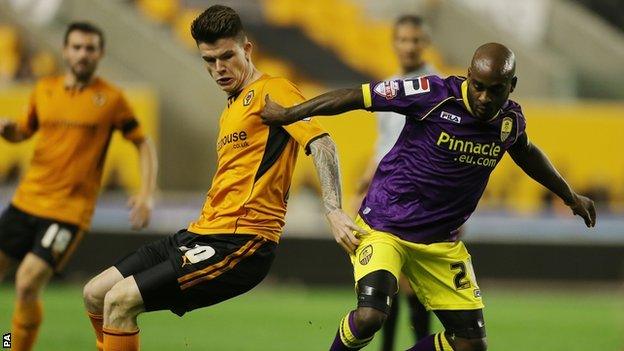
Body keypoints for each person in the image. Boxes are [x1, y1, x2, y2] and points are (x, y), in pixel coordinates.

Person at [261, 42, 596, 351]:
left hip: (439, 242)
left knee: (470, 344)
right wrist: (290, 115)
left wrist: (570, 196)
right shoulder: (432, 93)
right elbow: (356, 96)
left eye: (494, 90)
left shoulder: (509, 121)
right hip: (384, 224)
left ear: (512, 86)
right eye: (477, 86)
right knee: (370, 317)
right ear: (468, 76)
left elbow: (525, 152)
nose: (483, 97)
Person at [81, 5, 363, 351]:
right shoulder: (231, 108)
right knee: (95, 294)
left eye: (226, 56)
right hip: (198, 233)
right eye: (209, 60)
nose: (218, 69)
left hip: (241, 241)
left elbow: (322, 144)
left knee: (120, 301)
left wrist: (333, 209)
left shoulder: (273, 92)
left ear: (246, 50)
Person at [0, 22, 157, 351]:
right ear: (65, 50)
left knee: (27, 282)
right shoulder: (45, 90)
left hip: (67, 212)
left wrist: (146, 194)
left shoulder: (111, 100)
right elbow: (24, 132)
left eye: (90, 48)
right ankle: (6, 341)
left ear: (99, 53)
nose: (83, 54)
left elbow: (143, 143)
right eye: (77, 47)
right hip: (25, 202)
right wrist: (9, 131)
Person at [352, 15, 437, 350]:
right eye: (403, 39)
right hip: (388, 194)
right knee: (389, 280)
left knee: (416, 285)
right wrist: (365, 179)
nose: (409, 46)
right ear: (394, 43)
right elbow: (385, 141)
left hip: (422, 197)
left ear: (425, 44)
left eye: (415, 40)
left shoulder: (437, 86)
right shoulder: (388, 86)